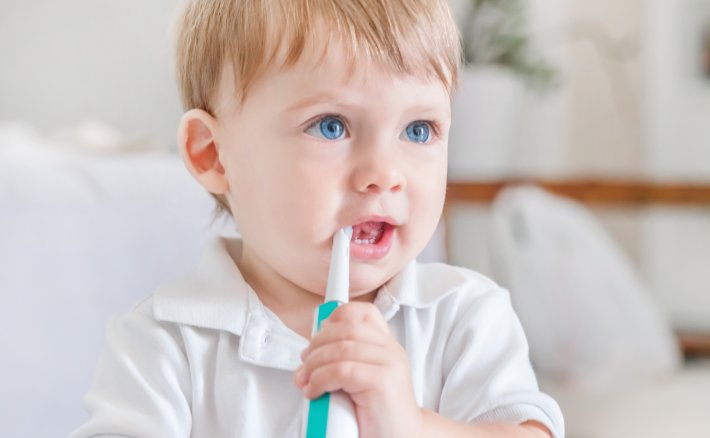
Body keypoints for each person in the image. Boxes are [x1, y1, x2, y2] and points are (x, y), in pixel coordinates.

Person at [71, 0, 564, 436]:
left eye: (418, 129)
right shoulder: (164, 343)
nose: (384, 175)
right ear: (214, 156)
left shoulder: (462, 317)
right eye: (331, 126)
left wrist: (411, 427)